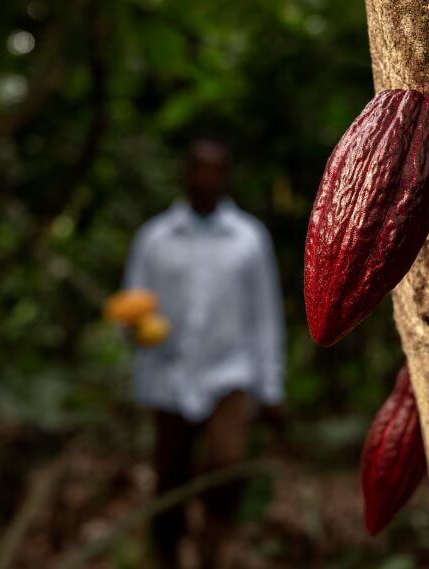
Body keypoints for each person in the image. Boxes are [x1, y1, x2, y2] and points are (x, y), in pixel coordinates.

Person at [121, 139, 285, 569]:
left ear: (226, 176)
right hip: (168, 376)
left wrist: (270, 386)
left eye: (216, 171)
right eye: (199, 169)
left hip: (230, 375)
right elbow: (132, 306)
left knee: (225, 472)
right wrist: (139, 329)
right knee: (170, 480)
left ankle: (215, 551)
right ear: (187, 173)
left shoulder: (249, 239)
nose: (206, 179)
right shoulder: (154, 239)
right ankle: (167, 555)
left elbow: (265, 315)